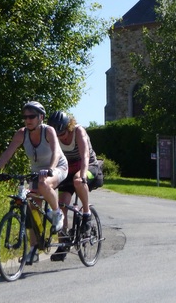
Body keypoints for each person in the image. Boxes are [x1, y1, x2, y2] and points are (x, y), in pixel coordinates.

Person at [0, 101, 68, 261]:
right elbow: (8, 152)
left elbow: (56, 153)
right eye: (25, 117)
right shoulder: (21, 133)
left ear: (41, 117)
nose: (28, 120)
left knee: (43, 184)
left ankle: (57, 213)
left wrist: (51, 169)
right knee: (31, 205)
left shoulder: (49, 131)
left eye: (32, 116)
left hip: (58, 167)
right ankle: (33, 249)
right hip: (37, 172)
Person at [47, 111, 100, 262]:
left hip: (89, 167)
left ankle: (87, 214)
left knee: (78, 181)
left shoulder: (78, 131)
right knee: (61, 204)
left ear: (68, 127)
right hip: (68, 169)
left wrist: (83, 175)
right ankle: (64, 241)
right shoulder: (54, 136)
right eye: (57, 134)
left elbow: (85, 157)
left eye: (63, 132)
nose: (61, 137)